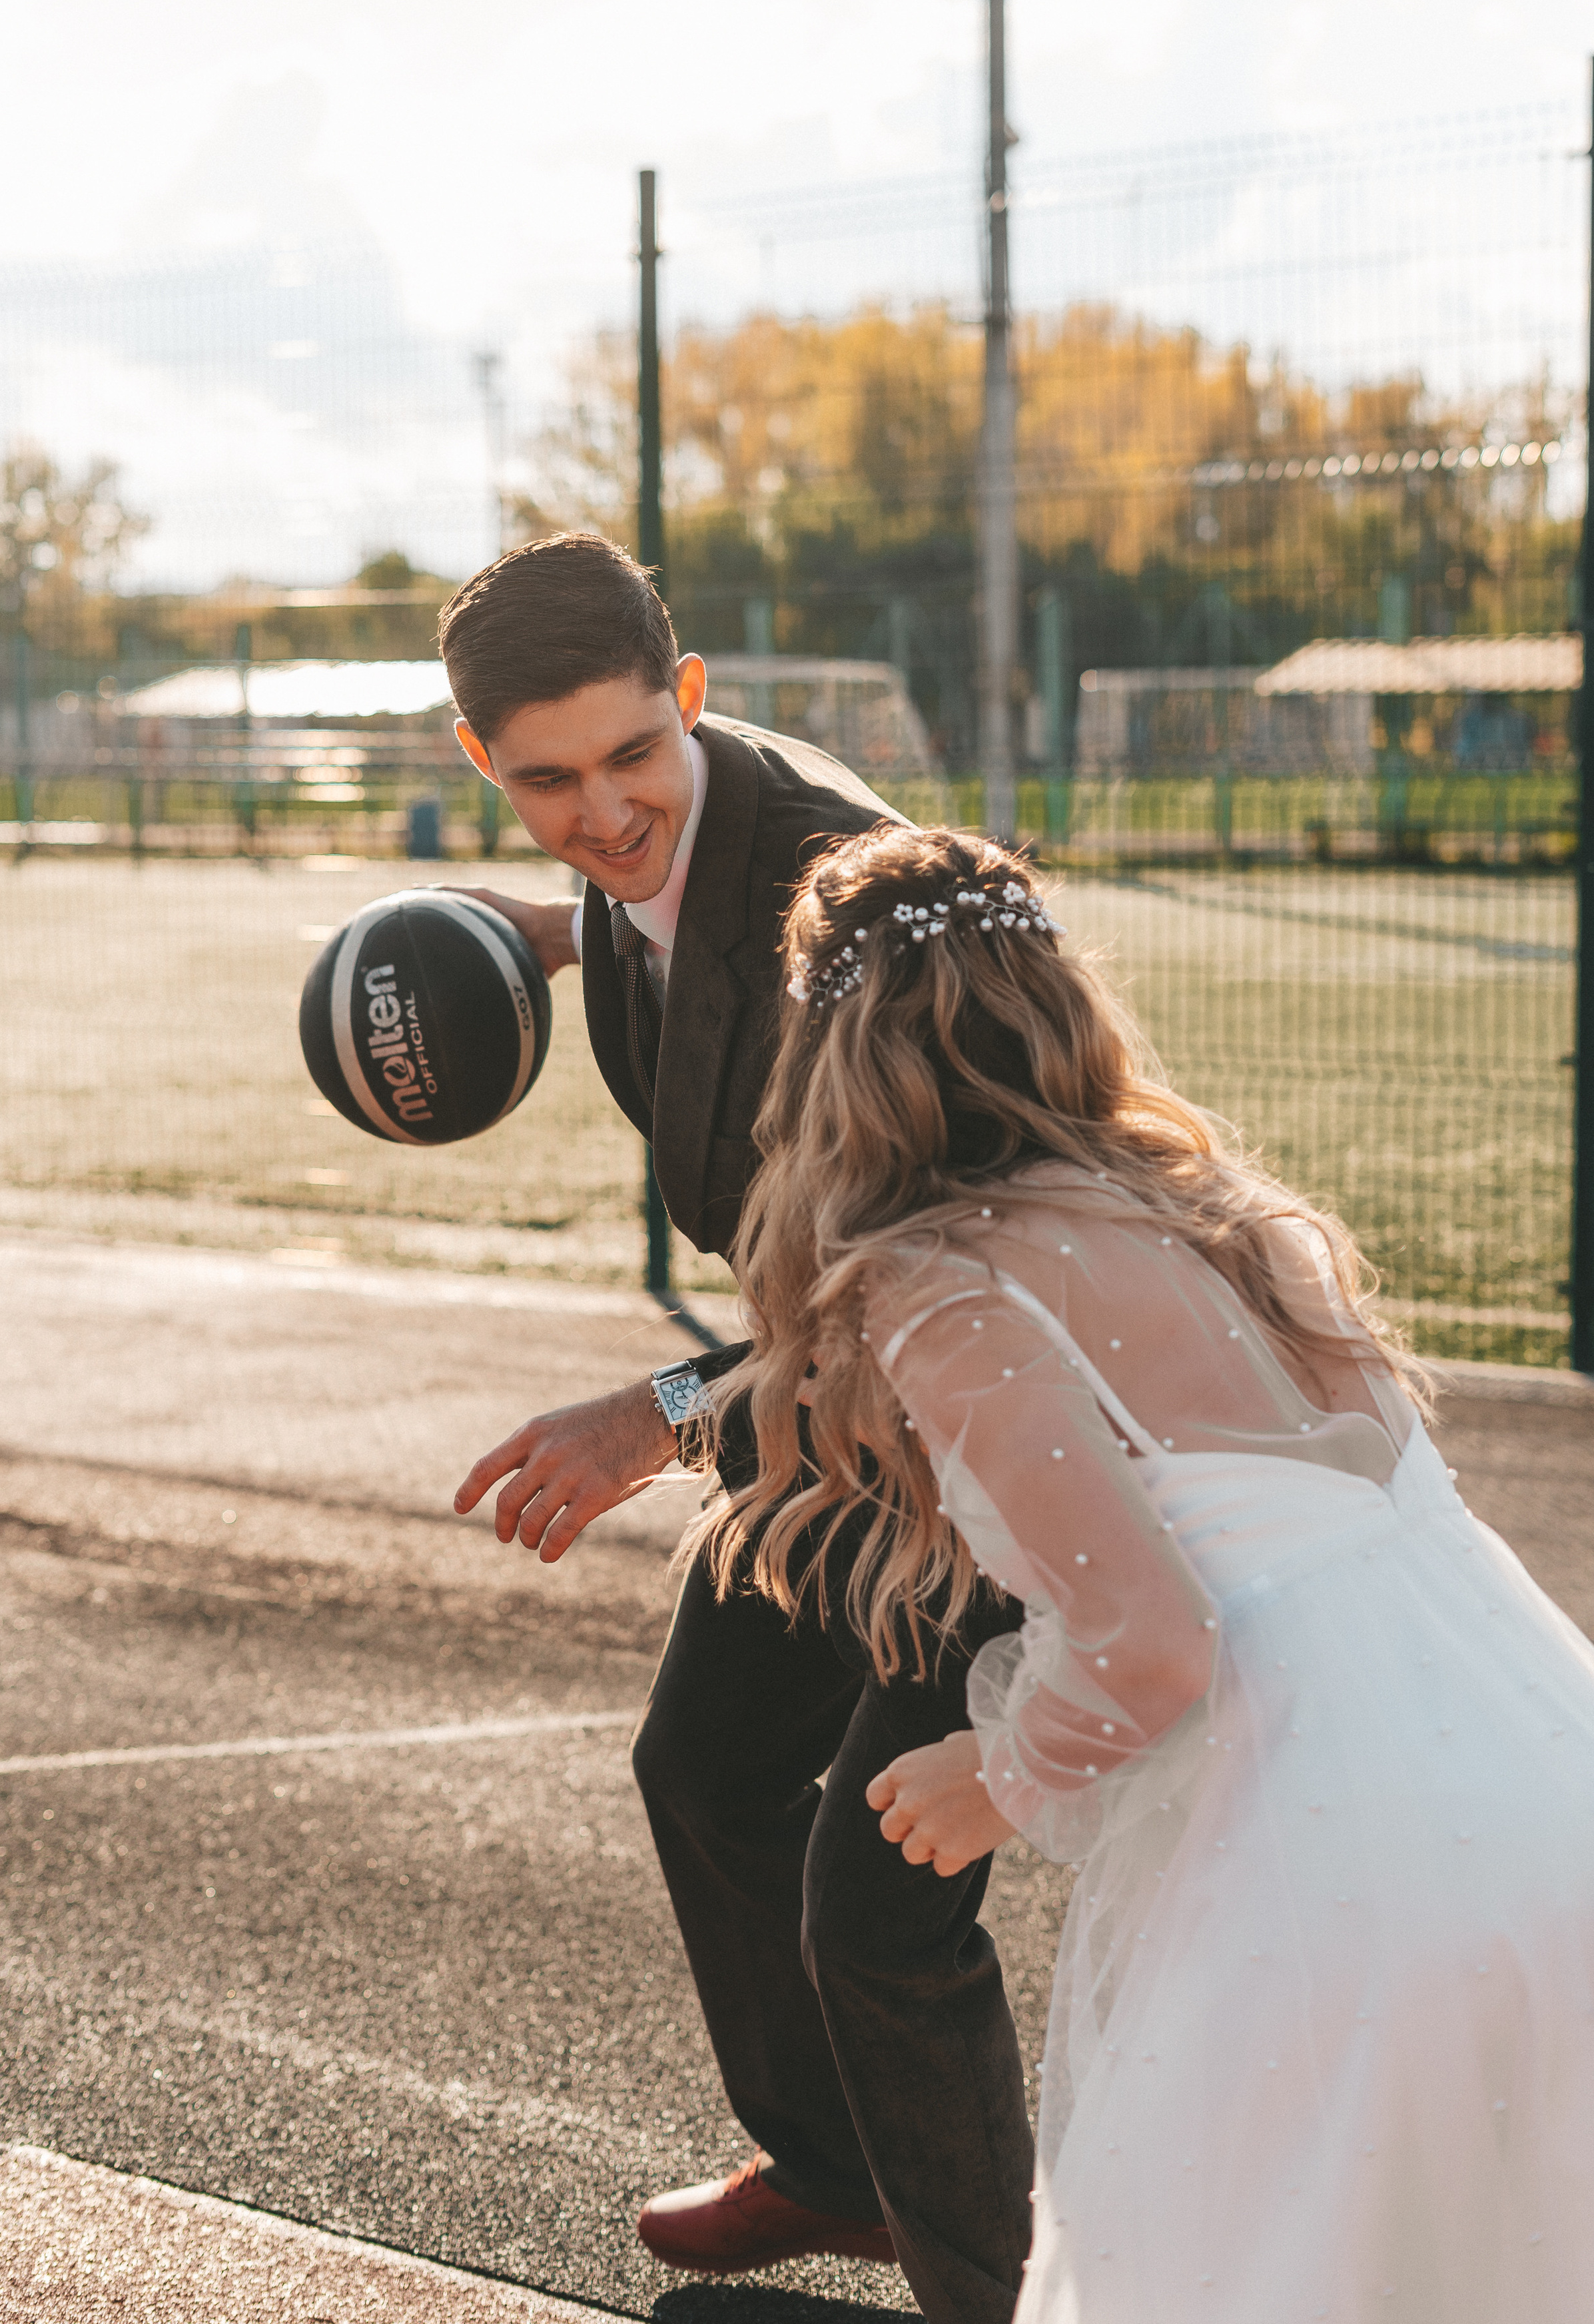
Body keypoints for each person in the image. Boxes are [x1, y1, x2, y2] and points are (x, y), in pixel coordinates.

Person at [690, 814, 1594, 2323]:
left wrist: (991, 1769)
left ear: (823, 1048)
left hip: (1335, 1864)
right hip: (1544, 1793)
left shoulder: (943, 1281)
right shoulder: (1222, 1214)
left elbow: (1151, 1640)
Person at [438, 533, 1036, 2322]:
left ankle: (995, 2293)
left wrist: (660, 1417)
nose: (602, 808)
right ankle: (838, 2172)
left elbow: (961, 1277)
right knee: (705, 1771)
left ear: (688, 698)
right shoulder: (642, 866)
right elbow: (646, 901)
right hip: (842, 1411)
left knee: (883, 1894)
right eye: (545, 781)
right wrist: (529, 932)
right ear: (485, 763)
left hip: (1007, 1413)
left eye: (632, 756)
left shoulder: (843, 905)